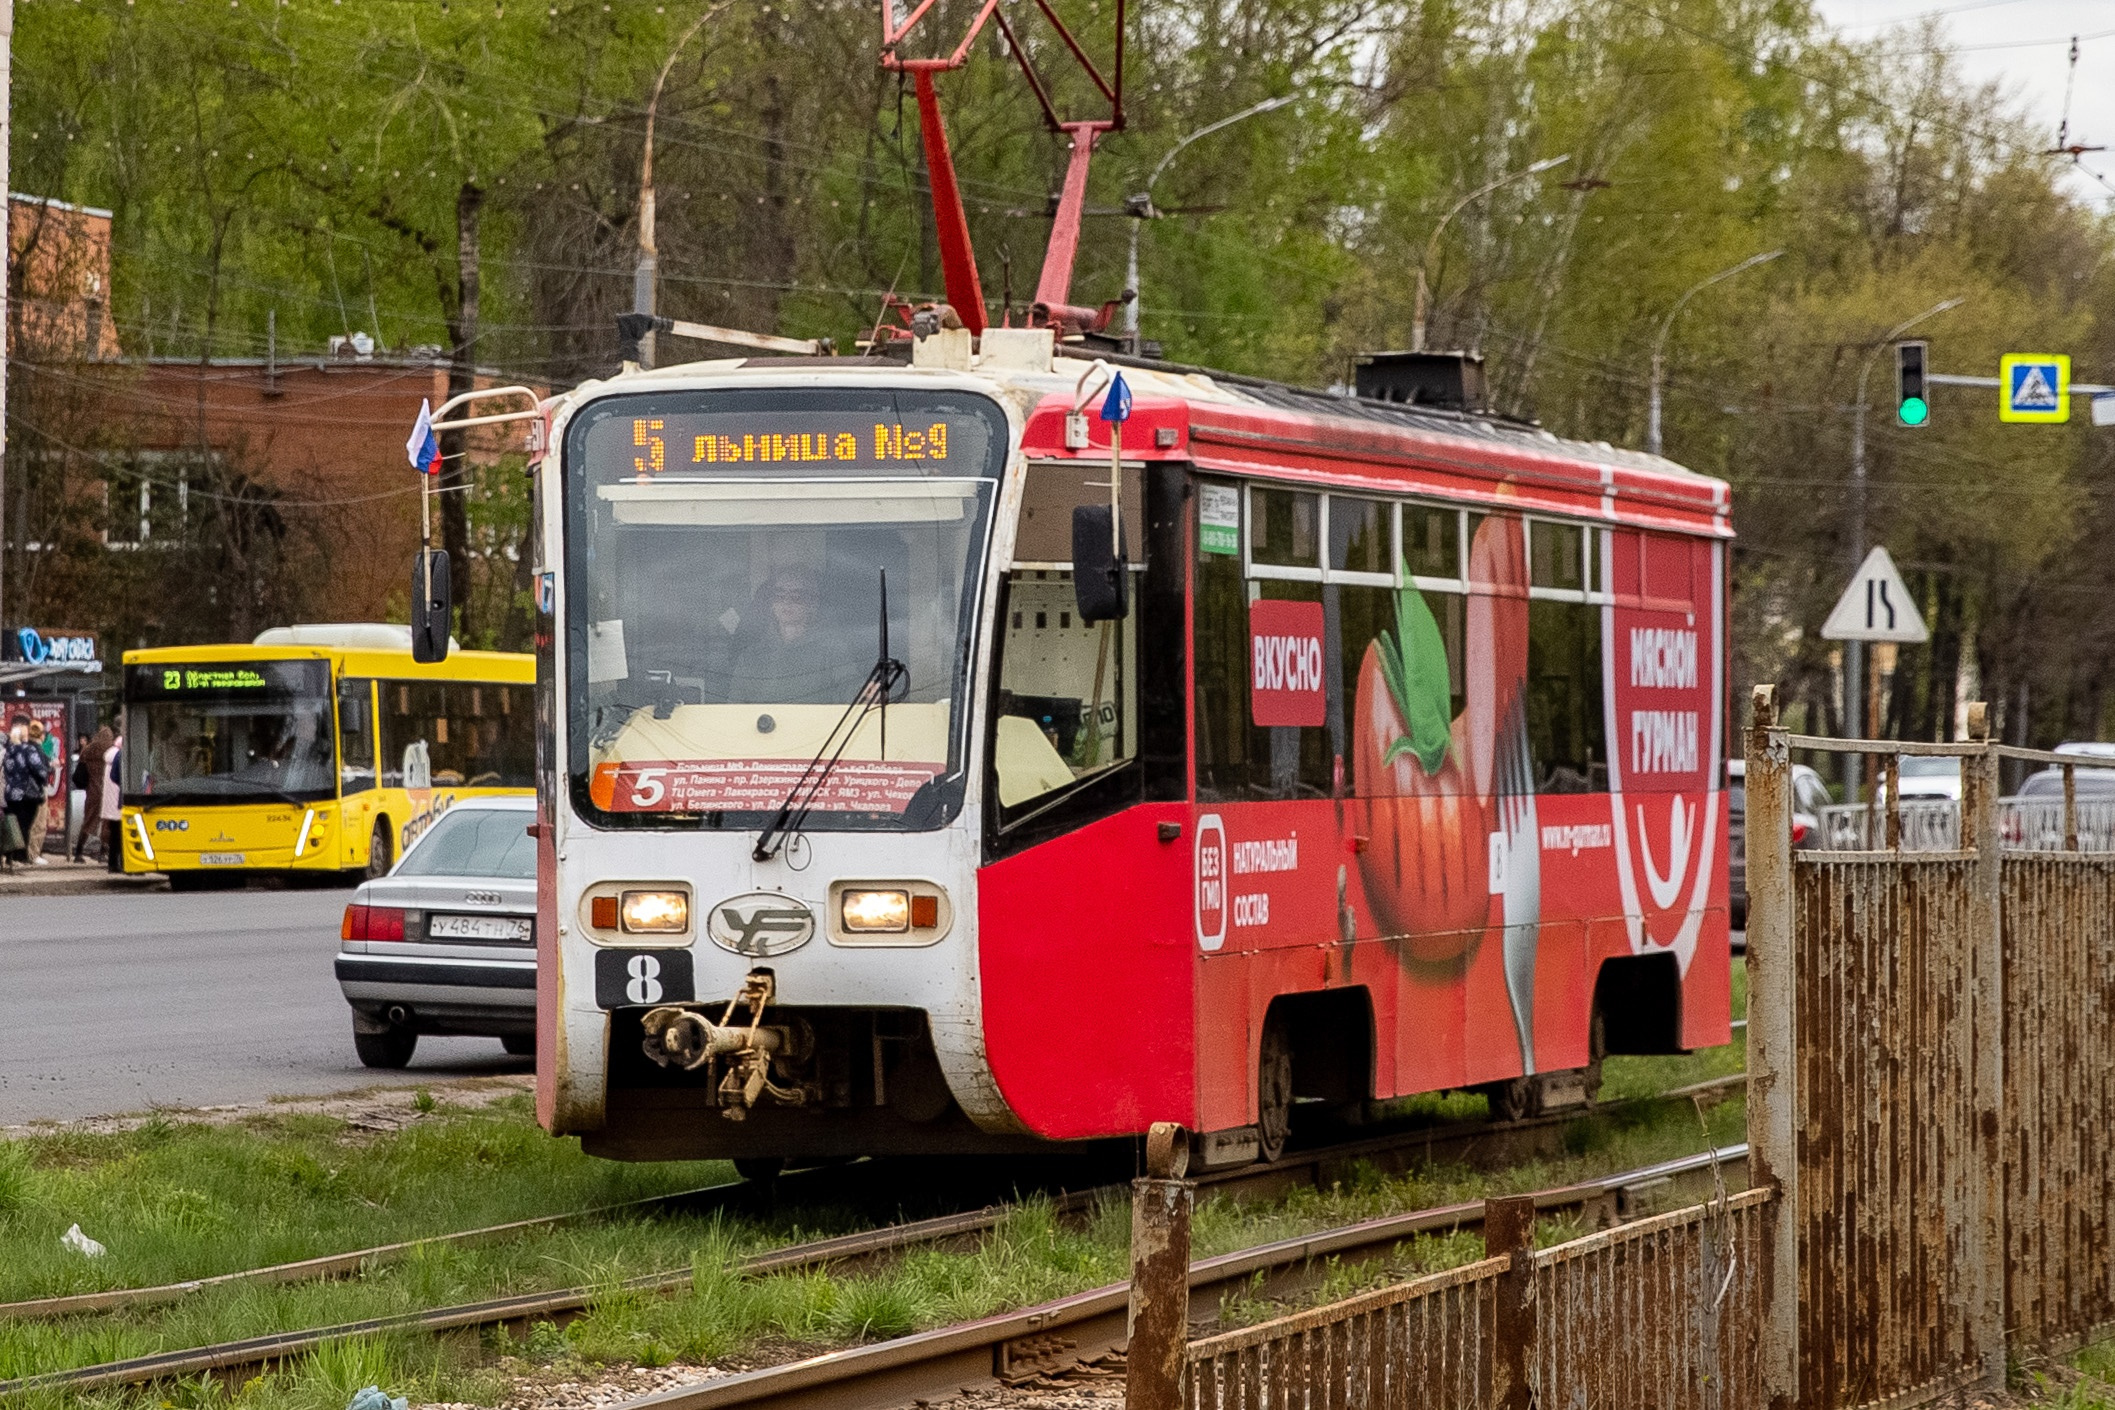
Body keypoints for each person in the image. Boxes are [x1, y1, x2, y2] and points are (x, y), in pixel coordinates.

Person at [727, 568, 869, 704]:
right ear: (771, 603)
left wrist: (868, 695)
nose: (786, 601)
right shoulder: (751, 656)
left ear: (812, 603)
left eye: (797, 596)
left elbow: (852, 689)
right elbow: (734, 712)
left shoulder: (831, 651)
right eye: (779, 595)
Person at [3, 717, 51, 868]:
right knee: (25, 825)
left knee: (13, 824)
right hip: (26, 794)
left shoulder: (9, 751)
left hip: (11, 793)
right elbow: (39, 769)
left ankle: (11, 857)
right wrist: (46, 773)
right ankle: (21, 856)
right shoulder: (28, 749)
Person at [74, 727, 112, 862]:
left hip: (92, 790)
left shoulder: (88, 750)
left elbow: (81, 767)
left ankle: (78, 852)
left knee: (88, 820)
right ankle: (103, 853)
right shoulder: (111, 750)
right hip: (107, 791)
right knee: (107, 823)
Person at [25, 720, 57, 864]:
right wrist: (51, 766)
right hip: (38, 789)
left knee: (28, 822)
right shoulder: (37, 749)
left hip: (26, 790)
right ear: (41, 734)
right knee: (39, 822)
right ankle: (34, 853)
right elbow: (42, 771)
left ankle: (27, 853)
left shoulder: (25, 747)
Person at [102, 735, 125, 872]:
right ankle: (120, 863)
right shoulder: (121, 756)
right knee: (120, 834)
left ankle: (112, 863)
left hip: (112, 803)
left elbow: (113, 777)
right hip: (120, 801)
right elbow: (117, 777)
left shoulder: (111, 756)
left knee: (115, 833)